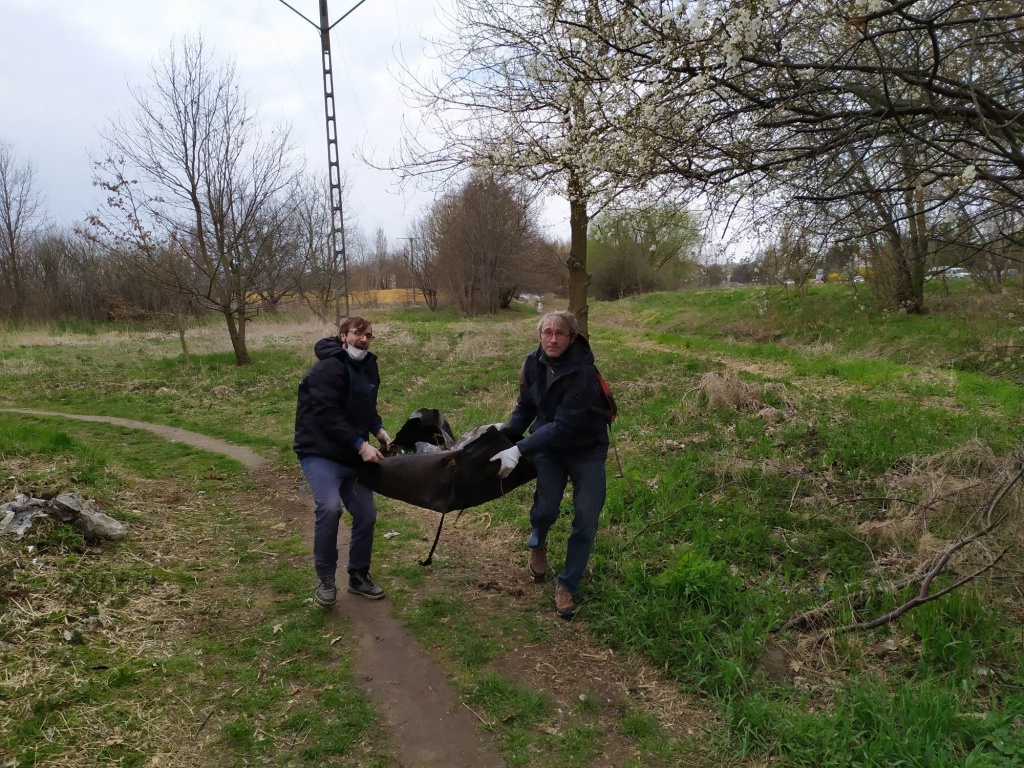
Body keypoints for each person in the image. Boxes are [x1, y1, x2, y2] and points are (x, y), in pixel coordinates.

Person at [490, 310, 609, 619]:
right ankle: (537, 540)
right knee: (545, 509)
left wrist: (520, 449)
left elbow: (564, 426)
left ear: (572, 338)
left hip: (586, 450)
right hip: (549, 449)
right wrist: (505, 436)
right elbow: (526, 407)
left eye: (560, 333)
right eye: (547, 333)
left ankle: (567, 584)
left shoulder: (584, 374)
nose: (553, 339)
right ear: (539, 335)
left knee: (586, 518)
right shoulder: (532, 364)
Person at [294, 316, 392, 607]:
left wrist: (379, 431)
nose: (363, 340)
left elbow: (367, 408)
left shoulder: (369, 366)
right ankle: (325, 578)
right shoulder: (328, 367)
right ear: (342, 336)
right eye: (357, 334)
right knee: (329, 508)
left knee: (366, 514)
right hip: (320, 452)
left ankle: (358, 575)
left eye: (369, 336)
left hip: (352, 456)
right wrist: (361, 445)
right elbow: (326, 415)